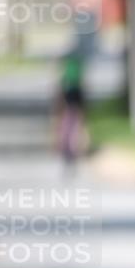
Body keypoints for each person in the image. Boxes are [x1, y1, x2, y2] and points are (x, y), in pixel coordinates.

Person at [54, 49, 88, 177]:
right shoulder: (76, 77)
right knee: (73, 131)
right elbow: (82, 92)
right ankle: (71, 155)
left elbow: (59, 94)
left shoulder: (66, 78)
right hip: (75, 105)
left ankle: (68, 154)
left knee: (66, 132)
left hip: (67, 107)